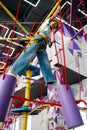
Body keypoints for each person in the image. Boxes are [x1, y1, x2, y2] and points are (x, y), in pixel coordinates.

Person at [7, 5, 61, 85]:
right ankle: (15, 70)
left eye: (56, 26)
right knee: (29, 54)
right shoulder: (46, 23)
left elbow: (49, 42)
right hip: (38, 40)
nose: (55, 25)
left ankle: (49, 79)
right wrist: (57, 9)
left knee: (45, 62)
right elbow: (53, 16)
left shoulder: (50, 32)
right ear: (51, 21)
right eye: (55, 23)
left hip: (43, 45)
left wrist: (51, 42)